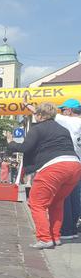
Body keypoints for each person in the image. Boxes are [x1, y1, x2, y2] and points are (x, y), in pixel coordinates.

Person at [7, 102, 81, 249]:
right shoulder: (62, 129)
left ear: (39, 115)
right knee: (57, 203)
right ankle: (55, 237)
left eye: (36, 114)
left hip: (54, 167)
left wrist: (11, 142)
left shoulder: (38, 128)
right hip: (74, 166)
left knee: (36, 203)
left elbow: (25, 148)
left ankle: (44, 238)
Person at [52, 99, 81, 240]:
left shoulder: (72, 122)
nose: (61, 113)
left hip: (73, 162)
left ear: (69, 110)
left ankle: (67, 230)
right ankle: (73, 227)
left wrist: (28, 105)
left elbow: (47, 114)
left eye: (62, 110)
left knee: (65, 197)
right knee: (76, 198)